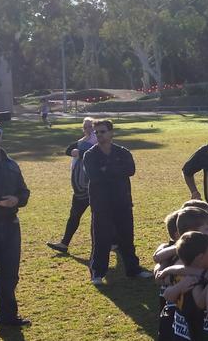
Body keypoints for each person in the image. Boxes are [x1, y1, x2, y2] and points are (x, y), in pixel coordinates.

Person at [83, 119, 151, 285]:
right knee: (101, 239)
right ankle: (98, 273)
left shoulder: (123, 152)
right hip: (101, 204)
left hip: (122, 202)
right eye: (96, 132)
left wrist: (108, 168)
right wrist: (115, 170)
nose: (99, 135)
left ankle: (133, 269)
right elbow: (95, 176)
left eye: (103, 131)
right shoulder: (90, 155)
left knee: (127, 237)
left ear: (111, 133)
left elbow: (130, 170)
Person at [0, 123, 31, 328]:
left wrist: (16, 199)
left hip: (11, 225)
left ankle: (7, 317)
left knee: (9, 274)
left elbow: (24, 191)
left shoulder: (11, 163)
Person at [47, 117, 96, 253]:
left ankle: (114, 242)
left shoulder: (98, 141)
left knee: (101, 215)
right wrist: (75, 152)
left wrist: (80, 153)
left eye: (90, 126)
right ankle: (64, 244)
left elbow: (97, 154)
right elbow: (68, 150)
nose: (88, 129)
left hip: (95, 186)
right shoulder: (81, 141)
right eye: (85, 127)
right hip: (80, 187)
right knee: (74, 215)